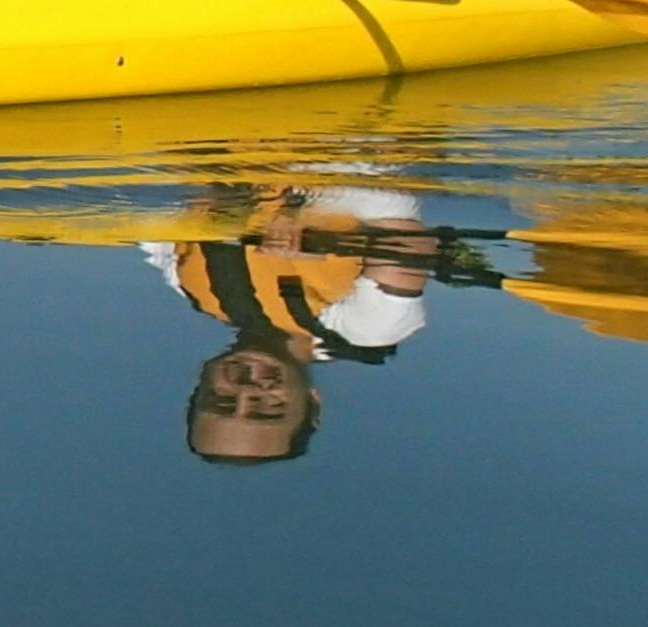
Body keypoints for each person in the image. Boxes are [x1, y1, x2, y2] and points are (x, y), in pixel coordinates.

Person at [149, 187, 445, 463]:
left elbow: (153, 200)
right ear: (313, 403)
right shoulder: (370, 328)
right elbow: (404, 225)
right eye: (269, 408)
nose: (246, 391)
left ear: (201, 383)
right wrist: (310, 216)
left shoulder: (187, 284)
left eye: (222, 400)